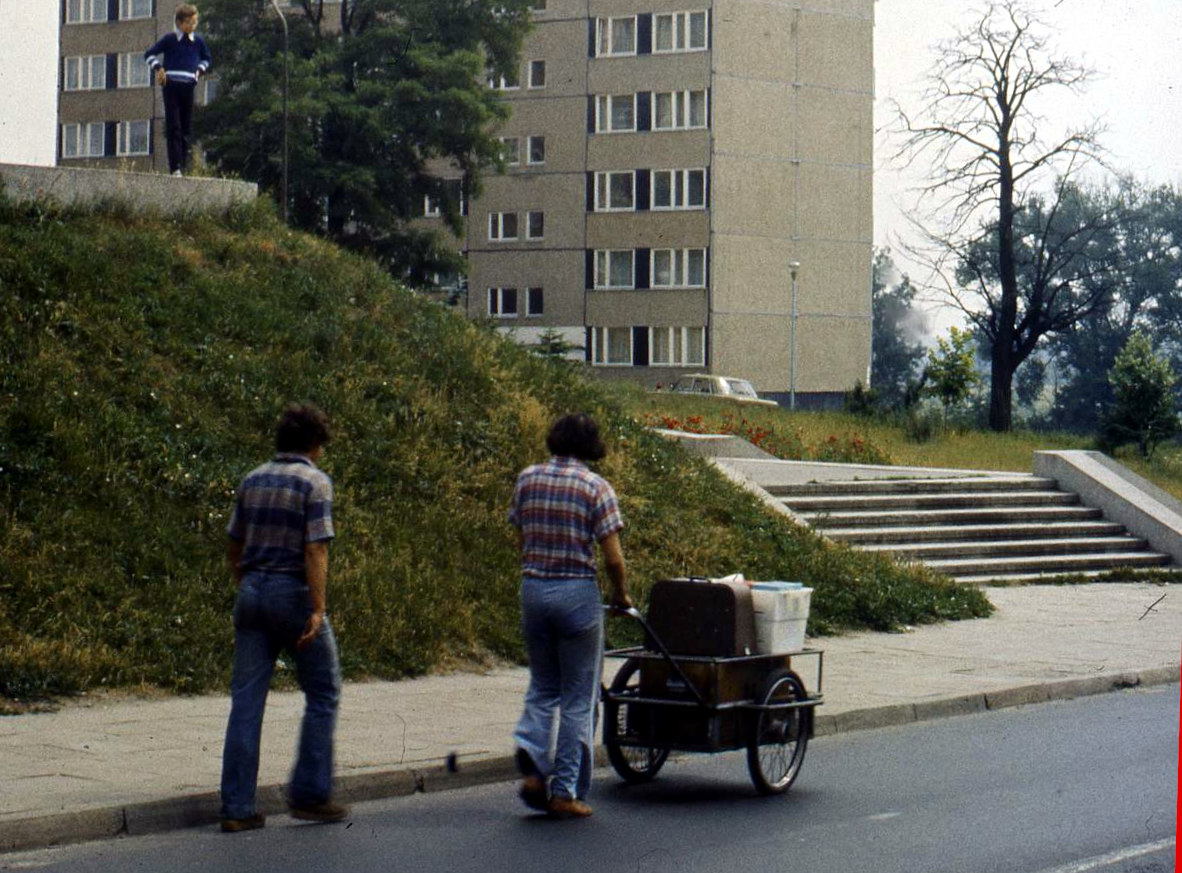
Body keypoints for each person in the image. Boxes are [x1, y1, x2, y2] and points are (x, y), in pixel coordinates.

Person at [219, 404, 347, 832]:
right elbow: (316, 549)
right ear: (315, 444)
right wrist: (316, 607)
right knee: (324, 689)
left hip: (252, 590)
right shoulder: (315, 482)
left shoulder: (252, 479)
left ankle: (237, 808)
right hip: (292, 591)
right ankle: (310, 793)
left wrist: (246, 583)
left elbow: (234, 542)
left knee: (247, 701)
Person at [508, 413, 633, 819]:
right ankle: (564, 790)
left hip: (534, 589)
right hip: (577, 592)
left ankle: (532, 761)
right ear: (589, 445)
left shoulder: (527, 478)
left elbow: (521, 536)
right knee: (579, 697)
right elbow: (613, 557)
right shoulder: (596, 487)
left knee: (543, 686)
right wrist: (621, 594)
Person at [144, 4, 211, 177]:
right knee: (174, 125)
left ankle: (183, 163)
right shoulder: (170, 39)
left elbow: (207, 59)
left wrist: (198, 71)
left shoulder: (198, 42)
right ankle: (175, 167)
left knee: (186, 127)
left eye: (195, 22)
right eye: (189, 22)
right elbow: (149, 54)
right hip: (171, 84)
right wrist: (159, 68)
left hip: (188, 85)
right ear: (180, 23)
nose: (193, 26)